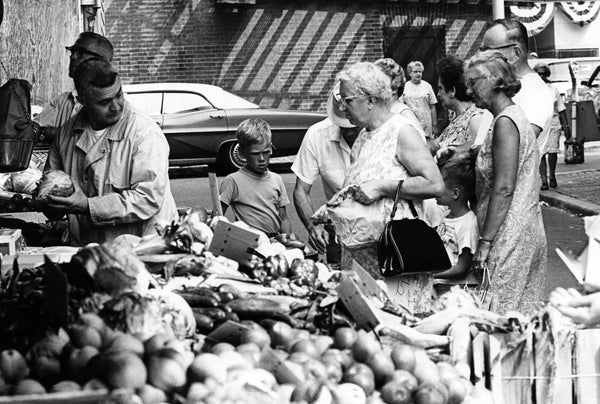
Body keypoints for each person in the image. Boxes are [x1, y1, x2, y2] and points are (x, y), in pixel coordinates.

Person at [334, 62, 444, 312]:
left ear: (370, 100)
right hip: (364, 256)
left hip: (396, 255)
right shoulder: (364, 136)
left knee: (401, 324)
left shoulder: (401, 131)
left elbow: (434, 183)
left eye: (347, 100)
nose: (342, 107)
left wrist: (383, 187)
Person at [42, 58, 178, 246]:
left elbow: (148, 199)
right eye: (104, 101)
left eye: (119, 94)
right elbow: (51, 190)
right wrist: (50, 203)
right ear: (82, 100)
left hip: (145, 248)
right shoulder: (65, 135)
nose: (116, 106)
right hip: (89, 249)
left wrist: (87, 206)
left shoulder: (144, 132)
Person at [466, 51, 547, 315]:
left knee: (498, 317)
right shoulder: (510, 116)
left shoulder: (505, 122)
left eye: (474, 82)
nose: (469, 90)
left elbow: (503, 187)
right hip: (524, 229)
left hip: (508, 235)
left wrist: (486, 242)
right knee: (520, 317)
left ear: (496, 80)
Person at [292, 83, 361, 262]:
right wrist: (312, 226)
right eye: (344, 126)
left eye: (354, 126)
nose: (350, 131)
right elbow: (301, 191)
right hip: (337, 229)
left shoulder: (382, 132)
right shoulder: (317, 134)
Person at [479, 19, 553, 158]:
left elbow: (515, 148)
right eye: (481, 49)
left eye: (488, 51)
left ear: (516, 53)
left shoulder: (537, 94)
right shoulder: (503, 86)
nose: (481, 57)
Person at [36, 32, 114, 144]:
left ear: (101, 62)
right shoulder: (62, 102)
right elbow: (33, 130)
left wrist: (51, 133)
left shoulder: (110, 106)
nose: (73, 56)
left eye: (81, 53)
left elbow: (93, 141)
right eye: (72, 51)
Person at [220, 118, 292, 236]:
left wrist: (289, 239)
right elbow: (218, 216)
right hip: (248, 244)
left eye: (266, 152)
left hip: (275, 242)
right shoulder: (233, 181)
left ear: (271, 149)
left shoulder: (276, 179)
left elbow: (284, 218)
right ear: (242, 153)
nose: (262, 159)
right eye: (255, 154)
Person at [432, 149, 479, 294]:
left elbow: (462, 267)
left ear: (455, 193)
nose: (435, 189)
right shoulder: (445, 215)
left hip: (455, 290)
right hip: (442, 285)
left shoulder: (468, 224)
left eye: (440, 184)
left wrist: (432, 275)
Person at [436, 56, 493, 149]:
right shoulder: (457, 118)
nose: (438, 94)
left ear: (451, 91)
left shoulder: (475, 120)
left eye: (440, 88)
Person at [534, 63, 571, 190]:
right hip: (538, 125)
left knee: (552, 151)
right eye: (538, 74)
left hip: (554, 124)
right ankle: (544, 180)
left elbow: (561, 109)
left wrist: (566, 126)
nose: (541, 76)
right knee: (541, 152)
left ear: (547, 75)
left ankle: (552, 176)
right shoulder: (532, 90)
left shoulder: (553, 89)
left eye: (543, 74)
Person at [374, 58, 421, 127]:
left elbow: (419, 136)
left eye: (379, 83)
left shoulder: (404, 113)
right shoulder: (385, 111)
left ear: (394, 87)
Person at [402, 61, 438, 136]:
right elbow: (401, 105)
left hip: (426, 122)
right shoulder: (405, 86)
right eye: (415, 72)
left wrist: (434, 125)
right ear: (410, 73)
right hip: (411, 121)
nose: (418, 74)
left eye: (420, 72)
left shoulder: (427, 86)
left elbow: (433, 107)